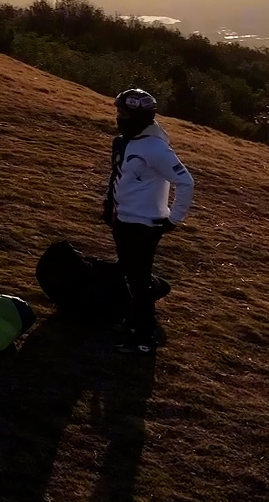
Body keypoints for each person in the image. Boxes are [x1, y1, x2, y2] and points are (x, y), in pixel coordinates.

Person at [104, 89, 195, 353]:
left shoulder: (156, 149)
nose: (120, 117)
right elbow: (118, 175)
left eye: (125, 113)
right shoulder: (122, 142)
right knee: (132, 273)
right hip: (122, 219)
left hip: (145, 225)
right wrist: (108, 203)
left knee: (137, 278)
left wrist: (174, 219)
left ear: (142, 117)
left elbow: (186, 182)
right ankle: (146, 300)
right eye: (119, 112)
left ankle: (145, 338)